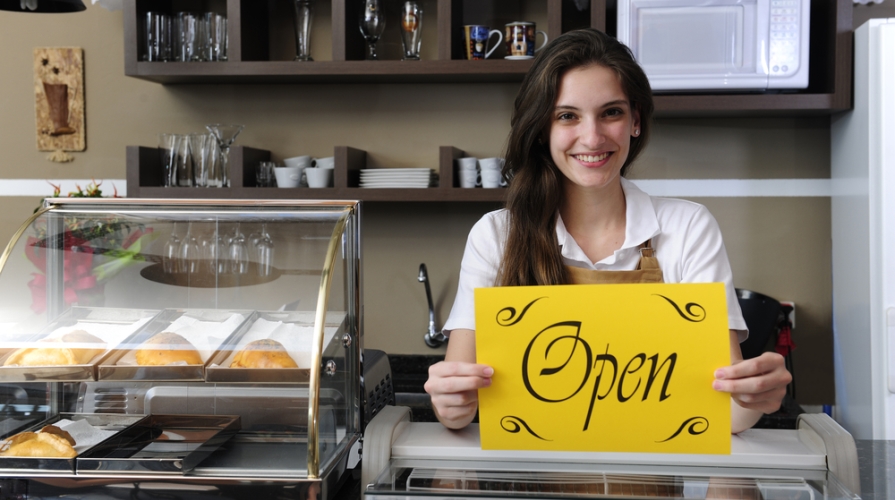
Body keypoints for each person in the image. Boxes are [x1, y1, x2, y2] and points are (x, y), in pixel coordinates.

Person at [424, 28, 791, 434]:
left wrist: (754, 398)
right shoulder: (495, 236)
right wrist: (451, 401)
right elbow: (457, 411)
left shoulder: (688, 228)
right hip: (526, 482)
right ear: (542, 129)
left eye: (611, 112)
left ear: (635, 120)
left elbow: (726, 413)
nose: (592, 137)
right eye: (567, 116)